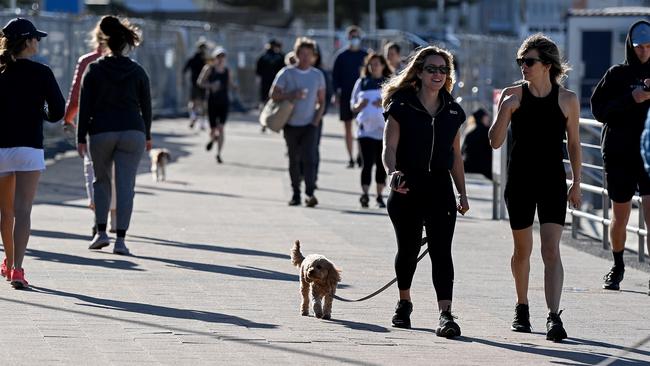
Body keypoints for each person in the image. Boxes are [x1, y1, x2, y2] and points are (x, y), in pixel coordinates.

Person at [489, 34, 581, 341]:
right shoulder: (512, 94)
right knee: (522, 250)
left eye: (529, 61)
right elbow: (495, 141)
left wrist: (577, 182)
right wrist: (505, 109)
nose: (523, 67)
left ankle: (554, 316)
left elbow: (575, 145)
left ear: (547, 65)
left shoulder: (567, 99)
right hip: (520, 182)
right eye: (520, 61)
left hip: (553, 181)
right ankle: (522, 306)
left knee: (551, 250)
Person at [382, 46, 469, 337]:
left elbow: (456, 156)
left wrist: (463, 193)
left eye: (443, 69)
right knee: (407, 250)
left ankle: (445, 314)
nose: (438, 74)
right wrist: (392, 174)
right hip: (406, 186)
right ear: (419, 72)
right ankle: (404, 302)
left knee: (442, 253)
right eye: (432, 68)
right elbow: (389, 147)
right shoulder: (401, 104)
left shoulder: (453, 110)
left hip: (440, 188)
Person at [77, 15, 152, 255]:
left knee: (101, 181)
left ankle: (100, 233)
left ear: (105, 42)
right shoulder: (137, 70)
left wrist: (80, 137)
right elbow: (147, 106)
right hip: (133, 131)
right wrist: (147, 134)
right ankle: (120, 240)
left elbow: (84, 105)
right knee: (126, 185)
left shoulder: (95, 69)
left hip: (101, 131)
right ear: (125, 43)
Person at [0, 17, 65, 288]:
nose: (38, 42)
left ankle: (7, 261)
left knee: (5, 212)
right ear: (27, 42)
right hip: (30, 147)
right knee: (24, 210)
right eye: (36, 38)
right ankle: (17, 269)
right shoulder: (42, 72)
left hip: (1, 147)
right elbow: (57, 111)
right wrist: (42, 113)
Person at [591, 20, 650, 293]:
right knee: (620, 215)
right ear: (630, 46)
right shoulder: (616, 74)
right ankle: (617, 265)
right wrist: (631, 98)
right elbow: (599, 110)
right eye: (639, 47)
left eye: (649, 47)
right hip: (619, 152)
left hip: (647, 155)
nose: (644, 52)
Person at [62, 19, 117, 237]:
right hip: (123, 125)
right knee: (116, 173)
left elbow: (76, 95)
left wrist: (68, 118)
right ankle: (115, 220)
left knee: (94, 171)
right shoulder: (124, 60)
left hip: (94, 126)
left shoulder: (87, 61)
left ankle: (98, 217)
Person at [270, 37, 326, 207]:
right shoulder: (287, 73)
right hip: (290, 124)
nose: (305, 57)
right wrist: (291, 94)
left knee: (309, 158)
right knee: (294, 159)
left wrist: (316, 121)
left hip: (309, 125)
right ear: (296, 54)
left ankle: (310, 193)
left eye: (309, 54)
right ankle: (295, 193)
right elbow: (273, 94)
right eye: (302, 54)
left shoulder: (317, 75)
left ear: (314, 56)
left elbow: (322, 101)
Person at [351, 53, 391, 208]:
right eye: (371, 64)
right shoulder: (361, 82)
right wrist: (359, 106)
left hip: (383, 131)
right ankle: (365, 194)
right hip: (365, 131)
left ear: (383, 65)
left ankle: (379, 195)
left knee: (381, 165)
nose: (374, 66)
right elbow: (352, 106)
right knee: (366, 164)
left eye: (377, 64)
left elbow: (395, 104)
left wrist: (384, 102)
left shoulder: (388, 83)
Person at [332, 25, 368, 168]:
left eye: (357, 36)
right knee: (347, 127)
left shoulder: (366, 55)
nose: (355, 39)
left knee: (361, 126)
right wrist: (336, 94)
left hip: (362, 96)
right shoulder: (341, 56)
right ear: (348, 38)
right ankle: (350, 157)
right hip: (346, 96)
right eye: (352, 36)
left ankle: (361, 155)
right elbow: (335, 78)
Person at [198, 47, 237, 164]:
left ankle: (218, 153)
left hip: (224, 102)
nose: (220, 59)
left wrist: (234, 87)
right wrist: (210, 85)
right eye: (218, 57)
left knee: (221, 128)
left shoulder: (227, 70)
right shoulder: (209, 69)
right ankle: (212, 138)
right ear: (214, 58)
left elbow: (230, 83)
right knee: (213, 129)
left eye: (222, 57)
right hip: (212, 102)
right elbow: (200, 82)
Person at [462, 108, 493, 180]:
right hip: (485, 170)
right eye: (486, 118)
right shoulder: (487, 132)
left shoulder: (469, 132)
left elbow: (462, 151)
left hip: (469, 168)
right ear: (482, 118)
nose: (488, 120)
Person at [183, 40, 207, 129]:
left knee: (196, 103)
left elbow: (184, 70)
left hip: (197, 84)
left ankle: (196, 118)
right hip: (199, 84)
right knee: (200, 103)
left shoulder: (194, 59)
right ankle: (198, 120)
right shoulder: (205, 60)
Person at [256, 39, 285, 106]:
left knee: (265, 100)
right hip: (277, 82)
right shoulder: (280, 57)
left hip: (265, 82)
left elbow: (258, 72)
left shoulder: (262, 57)